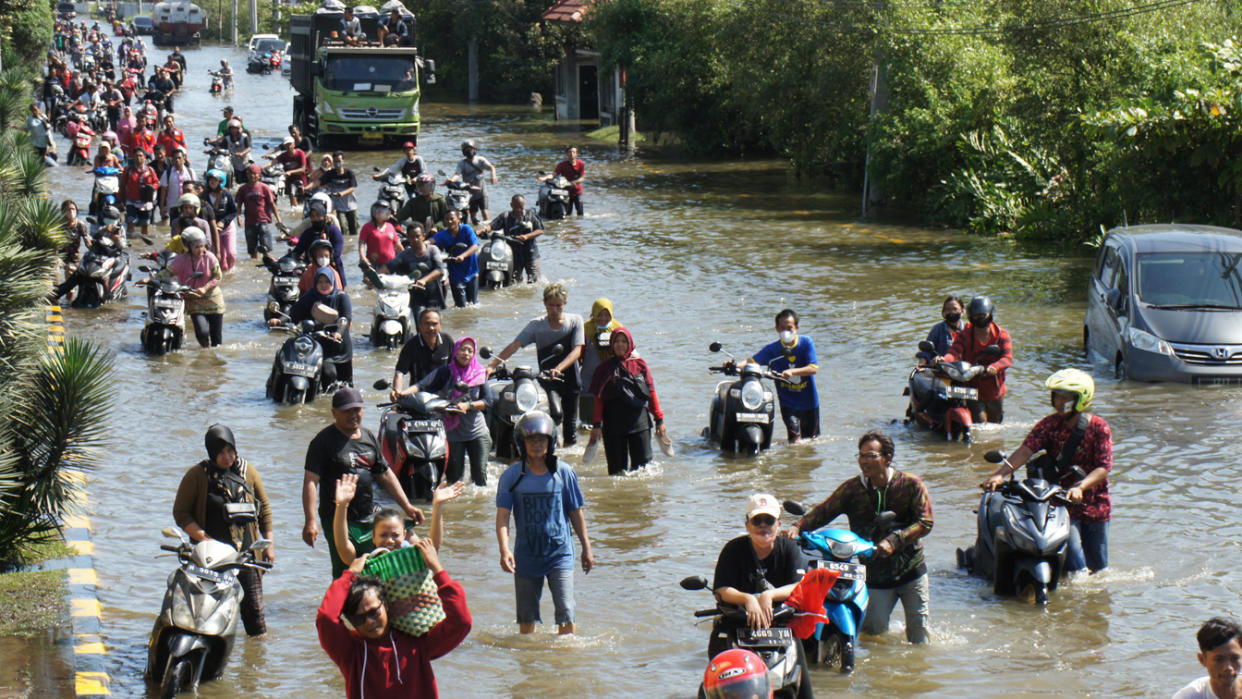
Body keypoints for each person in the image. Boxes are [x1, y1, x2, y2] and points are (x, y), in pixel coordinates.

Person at [785, 431, 934, 644]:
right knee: (873, 637)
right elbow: (824, 511)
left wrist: (895, 540)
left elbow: (925, 521)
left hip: (912, 570)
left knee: (920, 638)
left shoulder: (911, 484)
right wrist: (797, 527)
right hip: (874, 573)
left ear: (888, 458)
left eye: (871, 456)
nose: (864, 461)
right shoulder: (853, 489)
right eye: (861, 456)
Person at [982, 368, 1112, 574]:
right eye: (1056, 397)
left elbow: (1103, 467)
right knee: (1076, 566)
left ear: (1080, 399)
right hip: (1061, 506)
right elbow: (1025, 451)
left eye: (1065, 397)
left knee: (1100, 569)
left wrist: (1081, 487)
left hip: (1096, 506)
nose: (1059, 402)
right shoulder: (1049, 425)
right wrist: (1000, 474)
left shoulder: (1099, 427)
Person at [316, 540, 471, 699]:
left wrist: (437, 569)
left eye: (374, 612)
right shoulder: (351, 652)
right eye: (359, 618)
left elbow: (461, 622)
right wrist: (349, 575)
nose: (369, 622)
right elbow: (326, 618)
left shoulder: (417, 644)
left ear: (386, 605)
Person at [302, 386, 426, 579]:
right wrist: (310, 521)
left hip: (368, 513)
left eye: (357, 409)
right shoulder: (322, 442)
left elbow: (384, 474)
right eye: (347, 411)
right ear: (334, 413)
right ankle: (342, 603)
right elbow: (311, 482)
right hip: (337, 516)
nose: (353, 415)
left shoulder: (368, 437)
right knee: (347, 567)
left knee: (381, 558)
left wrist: (407, 506)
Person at [495, 411, 594, 634]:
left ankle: (565, 664)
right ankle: (529, 665)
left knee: (567, 613)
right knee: (527, 620)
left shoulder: (564, 473)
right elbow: (503, 518)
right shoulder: (512, 476)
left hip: (560, 553)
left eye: (541, 439)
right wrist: (504, 550)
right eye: (531, 440)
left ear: (550, 442)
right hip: (526, 555)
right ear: (522, 442)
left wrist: (586, 547)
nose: (536, 444)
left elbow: (575, 513)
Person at [173, 425, 273, 637]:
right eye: (221, 453)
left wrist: (269, 543)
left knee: (255, 619)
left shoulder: (247, 471)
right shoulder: (198, 476)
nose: (227, 457)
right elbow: (181, 513)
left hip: (245, 557)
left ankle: (256, 662)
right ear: (211, 453)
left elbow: (264, 508)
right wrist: (203, 538)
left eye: (231, 451)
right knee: (205, 615)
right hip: (210, 558)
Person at [488, 282, 586, 446]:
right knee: (555, 414)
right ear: (544, 304)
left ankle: (566, 453)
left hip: (571, 379)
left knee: (570, 427)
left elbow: (577, 351)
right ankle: (549, 444)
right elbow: (514, 345)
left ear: (565, 304)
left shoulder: (575, 322)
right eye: (550, 306)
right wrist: (492, 365)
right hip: (547, 380)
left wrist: (559, 368)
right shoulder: (536, 325)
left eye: (558, 306)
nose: (554, 310)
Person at [710, 493, 803, 657]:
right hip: (737, 625)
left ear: (779, 524)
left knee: (800, 671)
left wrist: (769, 595)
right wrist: (748, 599)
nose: (763, 526)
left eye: (769, 520)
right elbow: (721, 590)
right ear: (747, 525)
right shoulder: (732, 549)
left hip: (781, 625)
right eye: (757, 521)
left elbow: (799, 586)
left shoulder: (790, 549)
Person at [332, 475, 463, 569]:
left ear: (405, 535)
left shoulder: (411, 557)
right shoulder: (367, 563)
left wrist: (437, 506)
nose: (389, 540)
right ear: (373, 537)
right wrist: (342, 505)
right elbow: (342, 546)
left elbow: (433, 548)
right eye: (383, 535)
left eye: (395, 535)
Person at [415, 337, 494, 486]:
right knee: (454, 479)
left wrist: (468, 406)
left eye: (470, 351)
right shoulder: (445, 372)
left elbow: (488, 401)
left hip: (477, 431)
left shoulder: (479, 373)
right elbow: (421, 386)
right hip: (453, 433)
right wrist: (402, 394)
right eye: (463, 349)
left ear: (474, 354)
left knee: (480, 479)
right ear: (456, 351)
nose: (466, 353)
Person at [587, 328, 668, 475]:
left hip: (639, 423)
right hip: (613, 426)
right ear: (611, 345)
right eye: (616, 341)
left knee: (644, 470)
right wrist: (597, 425)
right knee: (616, 473)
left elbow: (651, 393)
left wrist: (659, 420)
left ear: (630, 344)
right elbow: (598, 400)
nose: (620, 345)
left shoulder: (640, 365)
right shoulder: (602, 369)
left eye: (624, 341)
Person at [742, 309, 820, 443]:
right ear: (777, 329)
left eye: (789, 328)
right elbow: (751, 362)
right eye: (782, 328)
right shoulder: (772, 349)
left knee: (812, 441)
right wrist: (733, 364)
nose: (786, 331)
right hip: (788, 403)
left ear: (796, 328)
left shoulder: (806, 343)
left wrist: (792, 372)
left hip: (809, 402)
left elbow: (813, 368)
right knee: (794, 440)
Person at [936, 295, 1012, 423]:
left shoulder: (1001, 335)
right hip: (971, 385)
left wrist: (995, 367)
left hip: (994, 387)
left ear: (990, 314)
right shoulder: (964, 334)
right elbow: (954, 351)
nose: (980, 318)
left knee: (995, 423)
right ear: (971, 316)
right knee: (979, 423)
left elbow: (1007, 358)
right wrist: (944, 360)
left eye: (983, 314)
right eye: (976, 315)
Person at [280, 269, 354, 386]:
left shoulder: (341, 297)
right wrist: (279, 320)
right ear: (315, 283)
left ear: (333, 282)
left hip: (340, 347)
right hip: (318, 347)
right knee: (329, 374)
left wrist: (338, 332)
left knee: (347, 385)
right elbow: (293, 313)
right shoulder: (310, 296)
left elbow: (346, 318)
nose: (323, 285)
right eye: (320, 282)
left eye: (327, 282)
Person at [171, 227, 225, 347]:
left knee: (217, 341)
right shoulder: (181, 260)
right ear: (188, 247)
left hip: (213, 302)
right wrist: (152, 278)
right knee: (202, 333)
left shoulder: (210, 258)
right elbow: (168, 272)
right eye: (196, 247)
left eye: (202, 246)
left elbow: (218, 277)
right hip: (194, 301)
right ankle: (205, 352)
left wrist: (205, 287)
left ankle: (214, 363)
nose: (201, 250)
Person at [477, 194, 543, 284]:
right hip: (513, 254)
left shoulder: (531, 215)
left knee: (534, 281)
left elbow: (540, 230)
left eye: (521, 207)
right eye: (517, 207)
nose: (519, 210)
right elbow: (492, 225)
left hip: (530, 253)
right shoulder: (505, 216)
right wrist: (483, 230)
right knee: (514, 282)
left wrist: (527, 236)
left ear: (524, 204)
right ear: (511, 205)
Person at [578, 298, 623, 425]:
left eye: (607, 315)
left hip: (610, 379)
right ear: (594, 314)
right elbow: (577, 353)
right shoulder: (585, 329)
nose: (603, 319)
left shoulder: (618, 328)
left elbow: (625, 353)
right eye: (599, 315)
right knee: (587, 422)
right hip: (588, 379)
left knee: (610, 420)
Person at [1172, 617, 1242, 699]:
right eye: (1219, 659)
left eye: (1235, 658)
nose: (1228, 667)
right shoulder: (1190, 696)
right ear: (1202, 660)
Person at [381, 223, 447, 310]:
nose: (415, 239)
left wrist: (424, 280)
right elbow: (389, 266)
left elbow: (439, 270)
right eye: (412, 237)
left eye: (418, 236)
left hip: (433, 295)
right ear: (408, 238)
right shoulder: (405, 254)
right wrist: (373, 276)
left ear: (423, 236)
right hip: (415, 296)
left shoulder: (432, 250)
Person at [391, 308, 453, 400]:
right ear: (420, 326)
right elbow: (400, 373)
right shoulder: (411, 345)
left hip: (443, 397)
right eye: (427, 324)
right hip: (419, 397)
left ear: (440, 325)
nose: (431, 328)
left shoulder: (447, 341)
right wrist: (397, 392)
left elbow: (456, 367)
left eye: (434, 324)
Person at [431, 210, 480, 307]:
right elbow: (431, 240)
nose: (449, 221)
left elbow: (475, 246)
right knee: (461, 306)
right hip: (455, 276)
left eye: (452, 219)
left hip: (472, 273)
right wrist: (423, 244)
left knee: (473, 305)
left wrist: (463, 256)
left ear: (458, 219)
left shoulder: (466, 229)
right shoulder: (443, 235)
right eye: (447, 219)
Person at [291, 199, 346, 286]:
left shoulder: (333, 231)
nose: (315, 219)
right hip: (309, 267)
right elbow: (297, 251)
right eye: (313, 216)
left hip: (332, 264)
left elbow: (337, 252)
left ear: (324, 216)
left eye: (318, 215)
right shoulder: (308, 233)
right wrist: (284, 260)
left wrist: (323, 260)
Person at [234, 163, 284, 259]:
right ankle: (255, 267)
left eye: (254, 173)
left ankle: (270, 263)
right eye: (250, 173)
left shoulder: (264, 187)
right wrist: (239, 216)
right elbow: (239, 205)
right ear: (247, 175)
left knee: (266, 248)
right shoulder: (243, 189)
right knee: (252, 250)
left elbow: (272, 204)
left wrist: (279, 220)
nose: (252, 176)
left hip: (263, 221)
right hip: (249, 222)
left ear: (259, 175)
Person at [451, 140, 497, 224]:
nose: (469, 151)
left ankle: (489, 230)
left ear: (475, 149)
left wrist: (493, 175)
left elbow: (491, 167)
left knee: (485, 212)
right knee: (473, 217)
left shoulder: (480, 160)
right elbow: (457, 174)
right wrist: (451, 180)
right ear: (463, 152)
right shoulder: (462, 163)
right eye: (466, 149)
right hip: (470, 193)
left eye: (470, 149)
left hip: (482, 191)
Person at [202, 169, 238, 272]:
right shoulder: (204, 196)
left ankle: (231, 272)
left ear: (221, 182)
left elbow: (233, 211)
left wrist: (223, 221)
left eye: (215, 180)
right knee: (220, 259)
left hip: (227, 228)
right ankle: (224, 276)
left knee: (232, 254)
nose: (212, 182)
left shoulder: (226, 194)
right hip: (214, 231)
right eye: (210, 180)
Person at [121, 147, 159, 243]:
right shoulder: (128, 170)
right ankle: (131, 242)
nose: (139, 158)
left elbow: (157, 183)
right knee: (130, 222)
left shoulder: (150, 170)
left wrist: (152, 188)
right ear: (133, 157)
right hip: (131, 201)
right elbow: (122, 185)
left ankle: (143, 244)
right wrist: (120, 200)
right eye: (136, 156)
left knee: (145, 225)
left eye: (141, 156)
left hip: (146, 202)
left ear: (145, 157)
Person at [538, 145, 585, 216]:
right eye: (570, 152)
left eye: (573, 152)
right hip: (566, 191)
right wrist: (544, 178)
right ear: (567, 154)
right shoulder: (562, 165)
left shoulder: (581, 164)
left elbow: (582, 178)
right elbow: (554, 174)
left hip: (577, 191)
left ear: (576, 154)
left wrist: (574, 182)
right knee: (568, 213)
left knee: (580, 212)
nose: (571, 154)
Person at [917, 296, 965, 363]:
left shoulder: (967, 330)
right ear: (944, 312)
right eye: (948, 309)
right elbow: (926, 352)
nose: (952, 312)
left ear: (962, 311)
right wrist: (921, 364)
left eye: (955, 309)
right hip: (942, 367)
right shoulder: (937, 329)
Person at [268, 136, 309, 210]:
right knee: (293, 203)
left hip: (302, 179)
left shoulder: (300, 153)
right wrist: (261, 167)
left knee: (304, 202)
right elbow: (272, 163)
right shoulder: (283, 156)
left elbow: (303, 169)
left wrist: (290, 172)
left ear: (294, 144)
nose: (289, 146)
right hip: (290, 181)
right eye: (286, 145)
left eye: (290, 144)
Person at [359, 201, 403, 267]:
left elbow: (398, 245)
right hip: (373, 264)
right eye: (378, 211)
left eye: (383, 212)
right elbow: (361, 244)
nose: (380, 214)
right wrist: (362, 257)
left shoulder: (390, 226)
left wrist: (405, 256)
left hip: (390, 264)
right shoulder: (367, 227)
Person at [159, 149, 195, 224]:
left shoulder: (190, 172)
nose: (177, 160)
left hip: (188, 205)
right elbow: (163, 191)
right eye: (175, 158)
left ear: (183, 159)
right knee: (174, 227)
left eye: (179, 158)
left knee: (188, 225)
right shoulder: (167, 173)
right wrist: (162, 207)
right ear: (172, 160)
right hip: (173, 206)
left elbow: (195, 189)